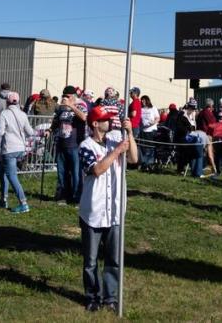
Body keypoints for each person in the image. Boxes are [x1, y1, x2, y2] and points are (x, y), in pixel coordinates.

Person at [77, 105, 138, 313]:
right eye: (105, 119)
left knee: (113, 258)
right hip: (93, 211)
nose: (109, 122)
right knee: (91, 260)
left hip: (115, 211)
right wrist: (117, 151)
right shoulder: (85, 146)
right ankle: (92, 296)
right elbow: (97, 169)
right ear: (95, 123)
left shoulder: (115, 139)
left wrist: (129, 133)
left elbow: (134, 159)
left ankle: (110, 297)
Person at [0, 92, 35, 213]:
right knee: (2, 171)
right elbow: (30, 132)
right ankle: (3, 200)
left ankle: (23, 203)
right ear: (18, 101)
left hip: (9, 149)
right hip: (20, 148)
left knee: (12, 176)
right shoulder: (23, 114)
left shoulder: (4, 113)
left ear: (7, 101)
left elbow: (0, 132)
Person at [51, 85, 87, 204]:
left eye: (67, 96)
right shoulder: (62, 107)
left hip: (75, 144)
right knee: (62, 171)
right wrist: (50, 130)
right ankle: (63, 195)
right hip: (61, 142)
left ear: (74, 96)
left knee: (76, 172)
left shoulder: (81, 105)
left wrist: (71, 106)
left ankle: (77, 197)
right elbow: (56, 120)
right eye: (63, 96)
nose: (65, 98)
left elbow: (84, 117)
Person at [138, 95, 159, 169]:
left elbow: (157, 118)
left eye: (144, 100)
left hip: (151, 130)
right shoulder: (141, 109)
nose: (142, 102)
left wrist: (153, 122)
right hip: (143, 130)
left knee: (150, 147)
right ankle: (144, 163)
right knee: (143, 147)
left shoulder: (153, 108)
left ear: (147, 100)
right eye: (142, 100)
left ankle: (149, 163)